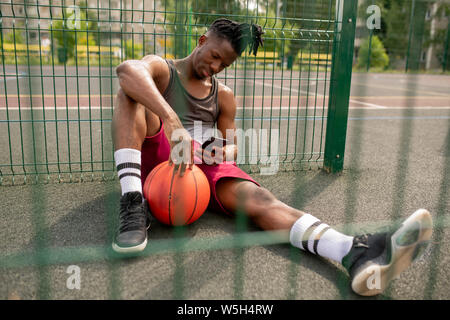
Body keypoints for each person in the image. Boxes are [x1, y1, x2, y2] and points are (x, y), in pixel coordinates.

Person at [111, 18, 433, 296]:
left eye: (224, 64)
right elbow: (127, 70)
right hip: (162, 156)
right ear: (201, 40)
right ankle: (132, 202)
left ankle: (354, 251)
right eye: (213, 56)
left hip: (202, 168)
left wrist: (224, 151)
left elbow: (233, 144)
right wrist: (172, 122)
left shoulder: (222, 95)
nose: (214, 67)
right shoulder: (162, 69)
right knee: (130, 92)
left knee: (262, 200)